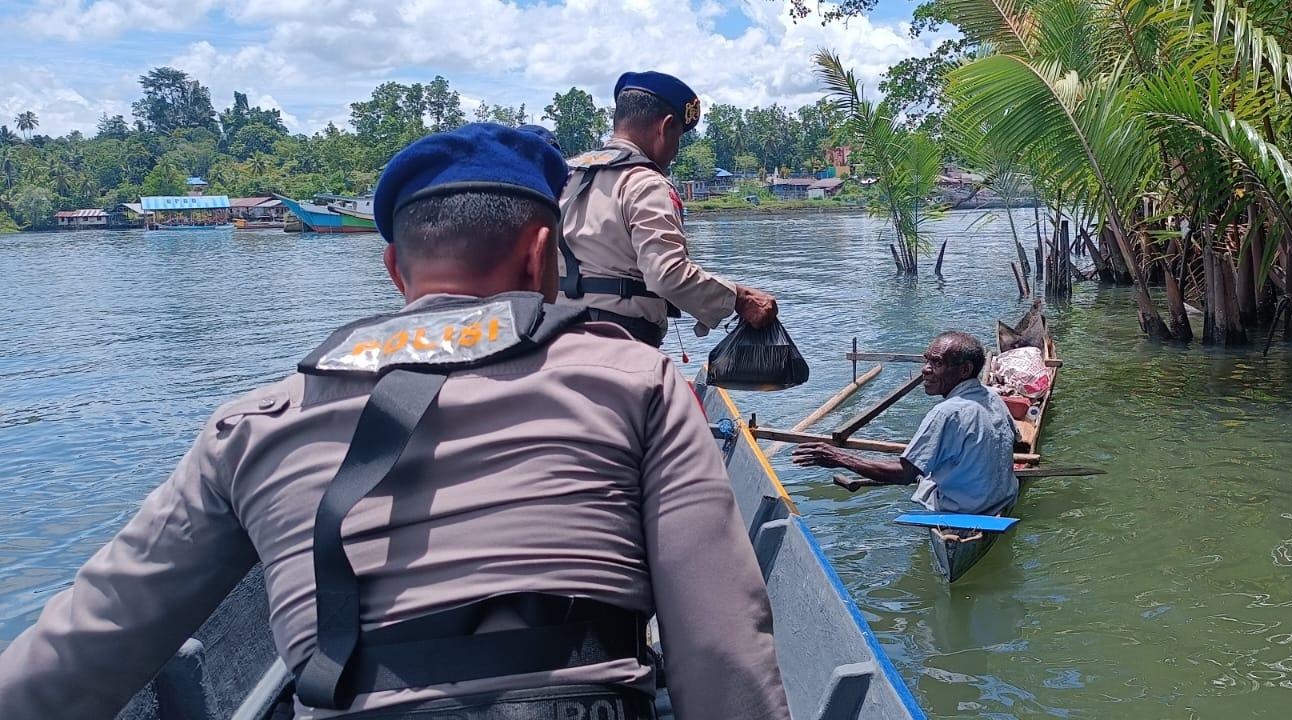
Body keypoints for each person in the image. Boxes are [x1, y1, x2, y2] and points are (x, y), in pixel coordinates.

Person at [0, 124, 790, 720]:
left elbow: (72, 659)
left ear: (394, 271)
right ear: (545, 257)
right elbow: (723, 655)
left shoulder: (250, 424)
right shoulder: (639, 379)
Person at [555, 70, 778, 347]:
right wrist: (739, 299)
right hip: (620, 346)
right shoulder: (644, 183)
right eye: (678, 138)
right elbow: (667, 274)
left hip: (555, 338)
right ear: (665, 126)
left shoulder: (563, 175)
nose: (674, 152)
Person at [793, 332, 1020, 516]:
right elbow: (1015, 440)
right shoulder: (992, 395)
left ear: (965, 370)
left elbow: (904, 475)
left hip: (965, 511)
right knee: (929, 469)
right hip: (1003, 498)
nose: (926, 369)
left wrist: (840, 458)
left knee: (920, 476)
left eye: (937, 363)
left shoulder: (946, 413)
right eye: (927, 360)